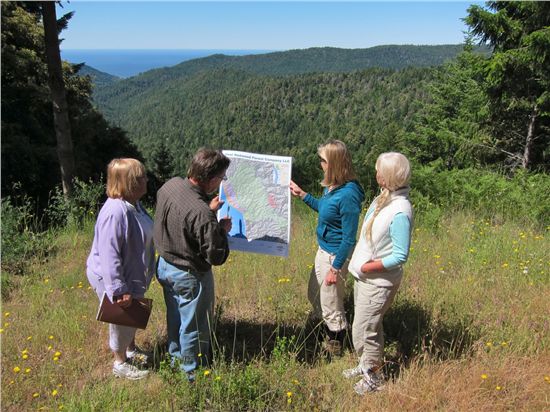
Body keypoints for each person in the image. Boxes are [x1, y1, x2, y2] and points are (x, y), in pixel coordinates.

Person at [154, 148, 232, 380]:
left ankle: (175, 357)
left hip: (166, 265)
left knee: (176, 317)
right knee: (194, 325)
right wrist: (221, 231)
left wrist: (207, 210)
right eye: (221, 178)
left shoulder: (170, 185)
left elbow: (182, 221)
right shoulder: (202, 214)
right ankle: (192, 373)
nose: (221, 182)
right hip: (189, 274)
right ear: (210, 179)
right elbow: (215, 256)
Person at [344, 152, 413, 395]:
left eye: (379, 172)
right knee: (364, 326)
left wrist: (367, 266)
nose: (376, 175)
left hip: (378, 281)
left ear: (390, 177)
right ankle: (366, 365)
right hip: (365, 278)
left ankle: (374, 377)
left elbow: (399, 255)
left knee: (366, 330)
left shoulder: (400, 211)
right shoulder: (385, 198)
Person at [289, 140, 365, 356]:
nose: (320, 163)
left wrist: (335, 268)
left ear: (334, 163)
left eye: (323, 160)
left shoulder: (348, 195)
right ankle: (323, 329)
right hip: (324, 250)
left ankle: (335, 345)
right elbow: (324, 209)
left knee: (331, 303)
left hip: (334, 256)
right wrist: (302, 194)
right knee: (314, 293)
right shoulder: (333, 187)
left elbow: (349, 239)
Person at [86, 158, 155, 380]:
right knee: (120, 315)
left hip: (132, 272)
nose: (146, 179)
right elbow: (109, 254)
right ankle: (120, 362)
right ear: (130, 182)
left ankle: (131, 349)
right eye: (141, 176)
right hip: (115, 276)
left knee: (132, 309)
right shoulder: (115, 212)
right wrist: (117, 288)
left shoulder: (134, 204)